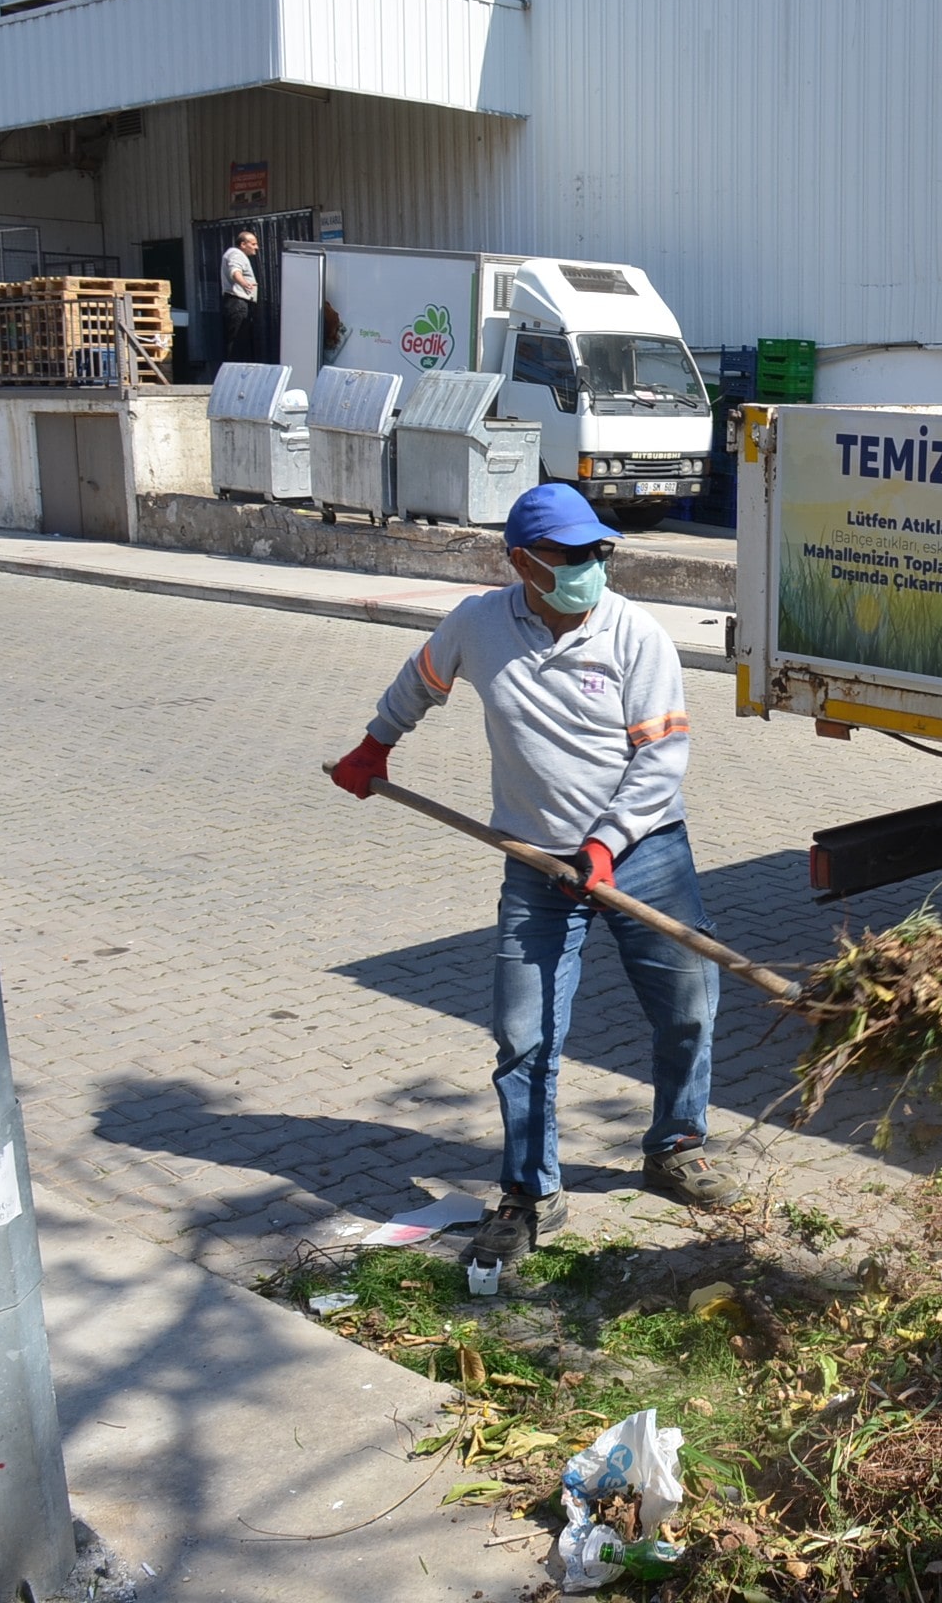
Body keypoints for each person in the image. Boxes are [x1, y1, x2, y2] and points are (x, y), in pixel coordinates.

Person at [328, 483, 737, 1267]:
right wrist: (377, 743)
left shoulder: (636, 634)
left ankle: (676, 1145)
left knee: (688, 1008)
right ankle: (529, 1191)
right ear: (520, 561)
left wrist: (606, 846)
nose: (591, 566)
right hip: (536, 864)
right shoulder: (477, 625)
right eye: (571, 554)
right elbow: (421, 680)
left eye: (598, 551)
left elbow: (661, 760)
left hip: (643, 854)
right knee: (524, 1036)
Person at [220, 229, 259, 362]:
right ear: (243, 244)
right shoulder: (236, 254)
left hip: (237, 302)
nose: (256, 247)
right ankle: (236, 368)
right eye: (253, 244)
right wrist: (244, 283)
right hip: (238, 302)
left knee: (240, 340)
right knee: (237, 340)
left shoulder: (235, 254)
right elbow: (235, 271)